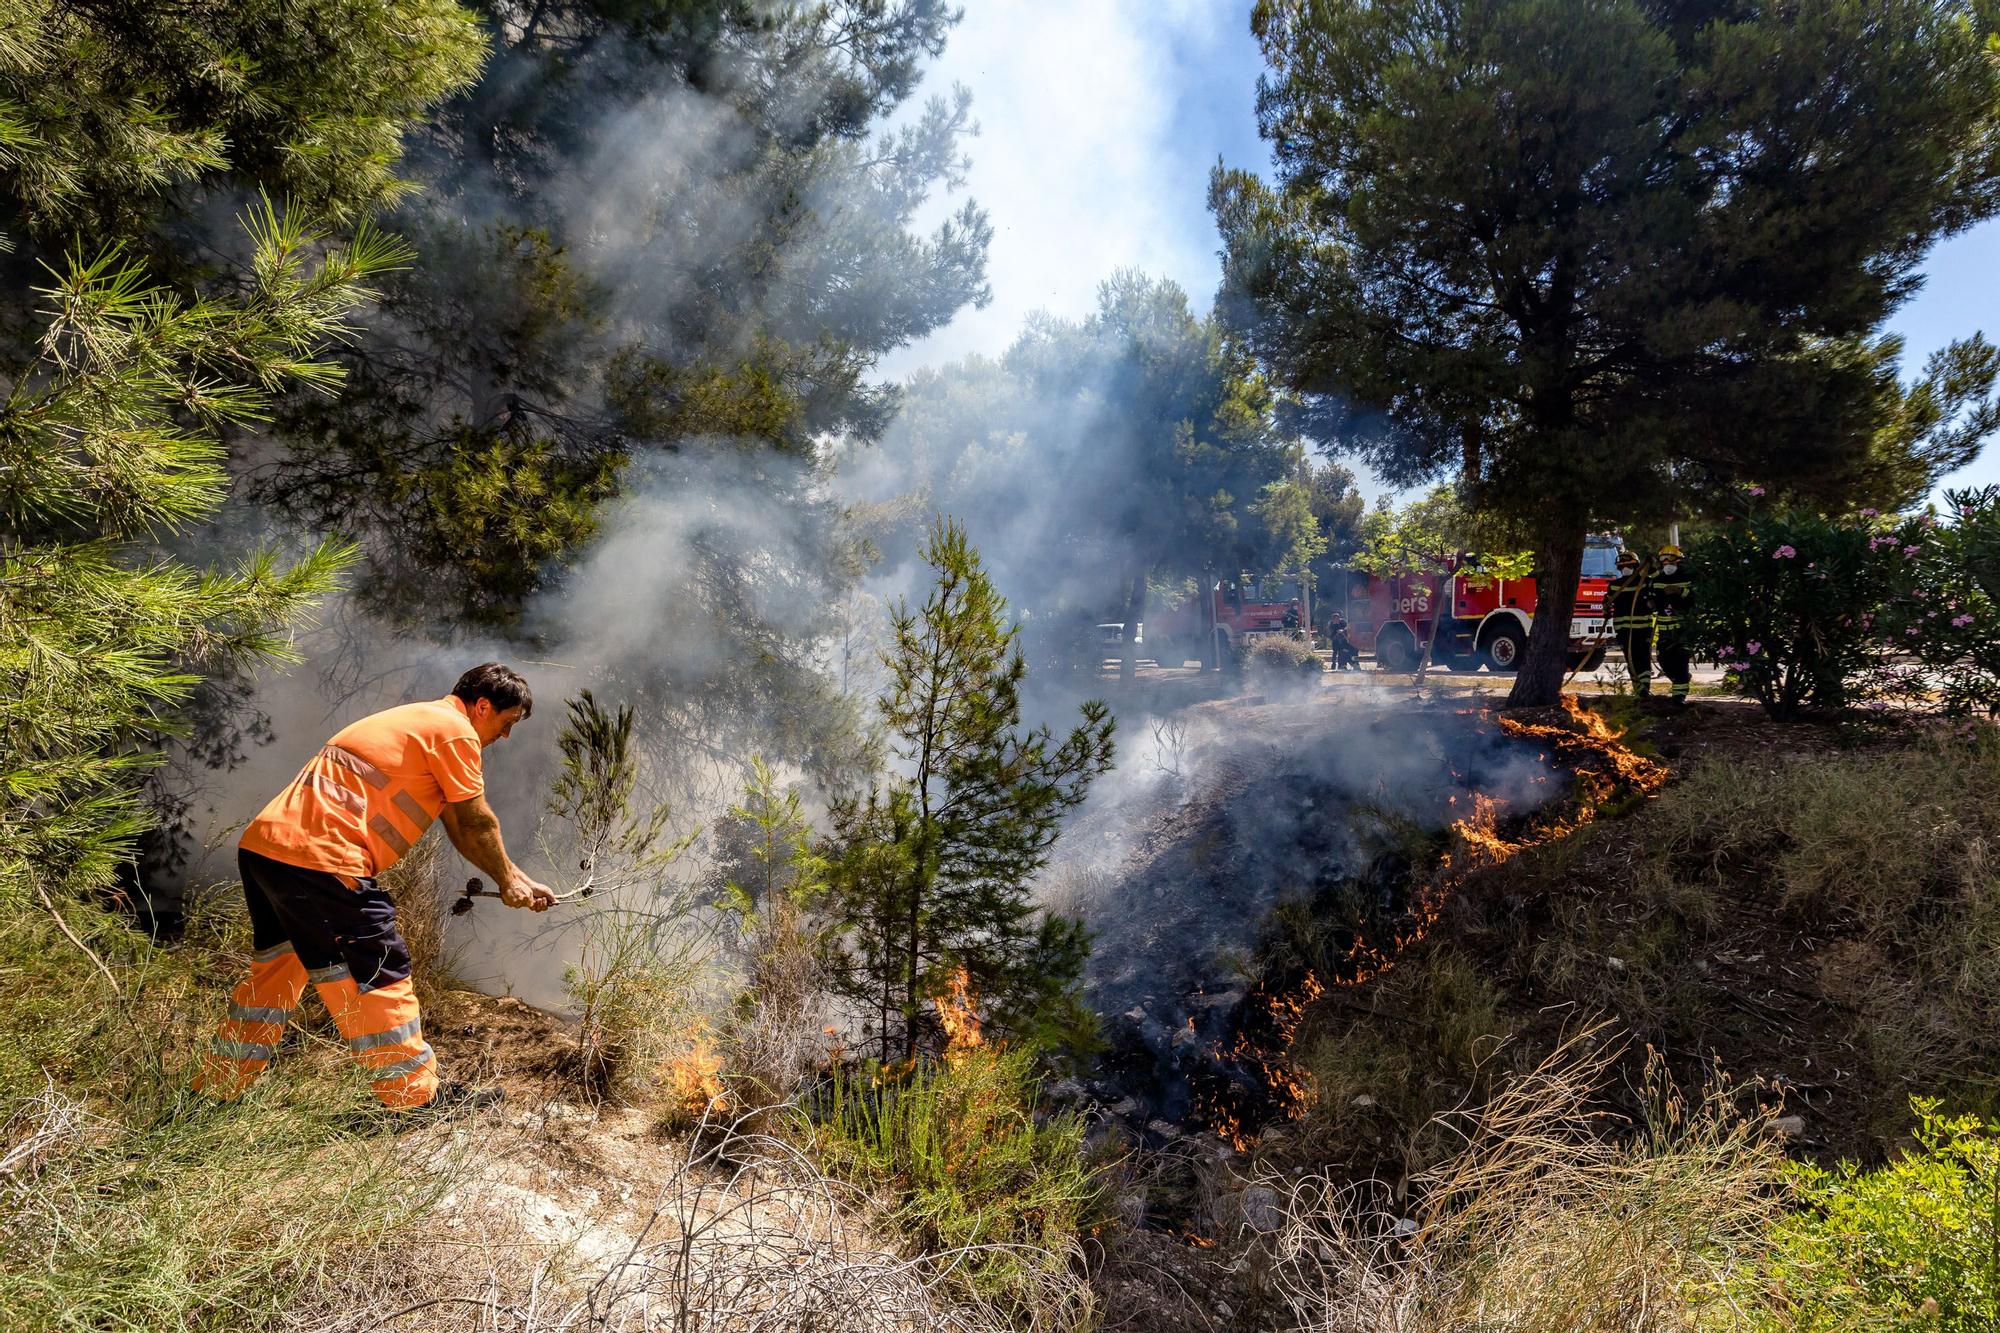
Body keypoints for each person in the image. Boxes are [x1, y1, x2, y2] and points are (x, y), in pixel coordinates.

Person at [196, 664, 555, 1111]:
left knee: (275, 973)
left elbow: (462, 830)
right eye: (506, 724)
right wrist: (506, 880)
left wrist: (514, 879)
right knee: (381, 968)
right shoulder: (454, 731)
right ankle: (412, 1099)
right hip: (322, 861)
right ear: (483, 706)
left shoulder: (417, 721)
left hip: (267, 850)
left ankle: (216, 1089)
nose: (504, 737)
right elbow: (477, 819)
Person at [1602, 549, 1654, 696]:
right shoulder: (1614, 586)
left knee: (1642, 658)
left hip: (1642, 629)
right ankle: (1639, 689)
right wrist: (1605, 609)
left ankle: (1644, 688)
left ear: (1636, 566)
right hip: (1624, 630)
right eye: (1622, 566)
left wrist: (1651, 567)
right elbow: (1607, 603)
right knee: (1631, 659)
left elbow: (1654, 597)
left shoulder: (1645, 582)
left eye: (1629, 565)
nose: (1625, 568)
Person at [1647, 544, 1694, 706]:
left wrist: (1681, 592)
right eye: (1664, 561)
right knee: (1663, 660)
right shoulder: (1658, 579)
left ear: (1678, 561)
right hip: (1664, 630)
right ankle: (1681, 681)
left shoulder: (1687, 577)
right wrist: (1651, 603)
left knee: (1680, 662)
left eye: (1670, 561)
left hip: (1682, 630)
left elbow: (1695, 598)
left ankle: (1679, 697)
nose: (1667, 564)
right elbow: (1653, 598)